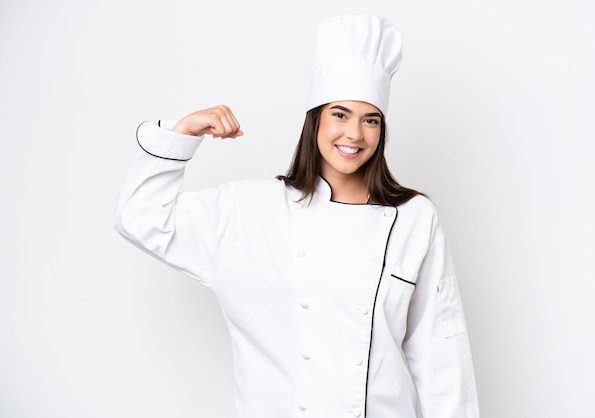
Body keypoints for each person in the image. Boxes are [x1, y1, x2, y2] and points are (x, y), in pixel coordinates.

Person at [115, 14, 479, 418]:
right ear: (315, 119)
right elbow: (140, 217)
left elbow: (442, 359)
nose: (354, 134)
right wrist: (182, 133)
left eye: (370, 120)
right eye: (340, 114)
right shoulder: (248, 211)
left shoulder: (414, 219)